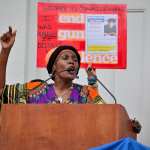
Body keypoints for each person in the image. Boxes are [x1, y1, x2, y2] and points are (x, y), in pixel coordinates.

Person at [0, 27, 105, 104]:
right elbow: (1, 92)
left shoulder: (87, 93)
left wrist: (93, 82)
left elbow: (106, 116)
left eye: (75, 60)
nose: (72, 62)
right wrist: (5, 51)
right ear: (54, 66)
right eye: (65, 58)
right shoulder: (33, 90)